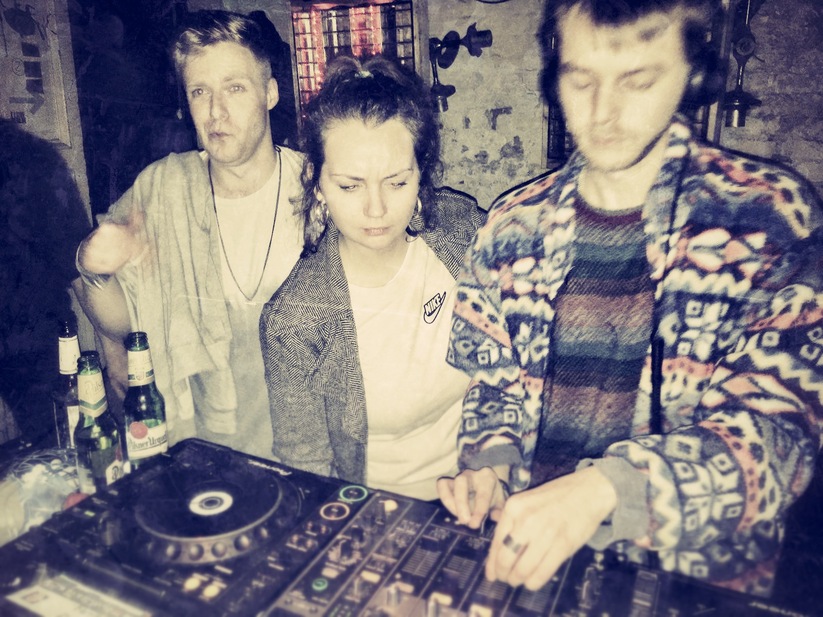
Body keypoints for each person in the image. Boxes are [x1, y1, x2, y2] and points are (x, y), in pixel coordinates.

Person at [437, 0, 823, 598]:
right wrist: (490, 464)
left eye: (638, 80)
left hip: (690, 587)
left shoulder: (774, 219)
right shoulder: (506, 227)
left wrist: (610, 489)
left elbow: (780, 438)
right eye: (580, 80)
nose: (603, 113)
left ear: (695, 73)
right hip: (533, 569)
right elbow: (493, 389)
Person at [72, 10, 304, 459]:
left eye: (235, 88)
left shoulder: (318, 188)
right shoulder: (163, 190)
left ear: (270, 93)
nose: (216, 111)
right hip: (200, 448)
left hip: (307, 454)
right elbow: (124, 325)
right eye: (200, 92)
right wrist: (96, 268)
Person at [260, 55, 486, 501]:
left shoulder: (464, 234)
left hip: (488, 486)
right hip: (375, 513)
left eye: (397, 182)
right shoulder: (295, 322)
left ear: (421, 174)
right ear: (317, 183)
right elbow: (307, 473)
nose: (377, 209)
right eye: (350, 186)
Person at [0, 119, 90, 449]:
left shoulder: (33, 158)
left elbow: (78, 263)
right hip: (32, 342)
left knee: (64, 448)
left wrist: (113, 346)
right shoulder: (36, 156)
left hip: (36, 344)